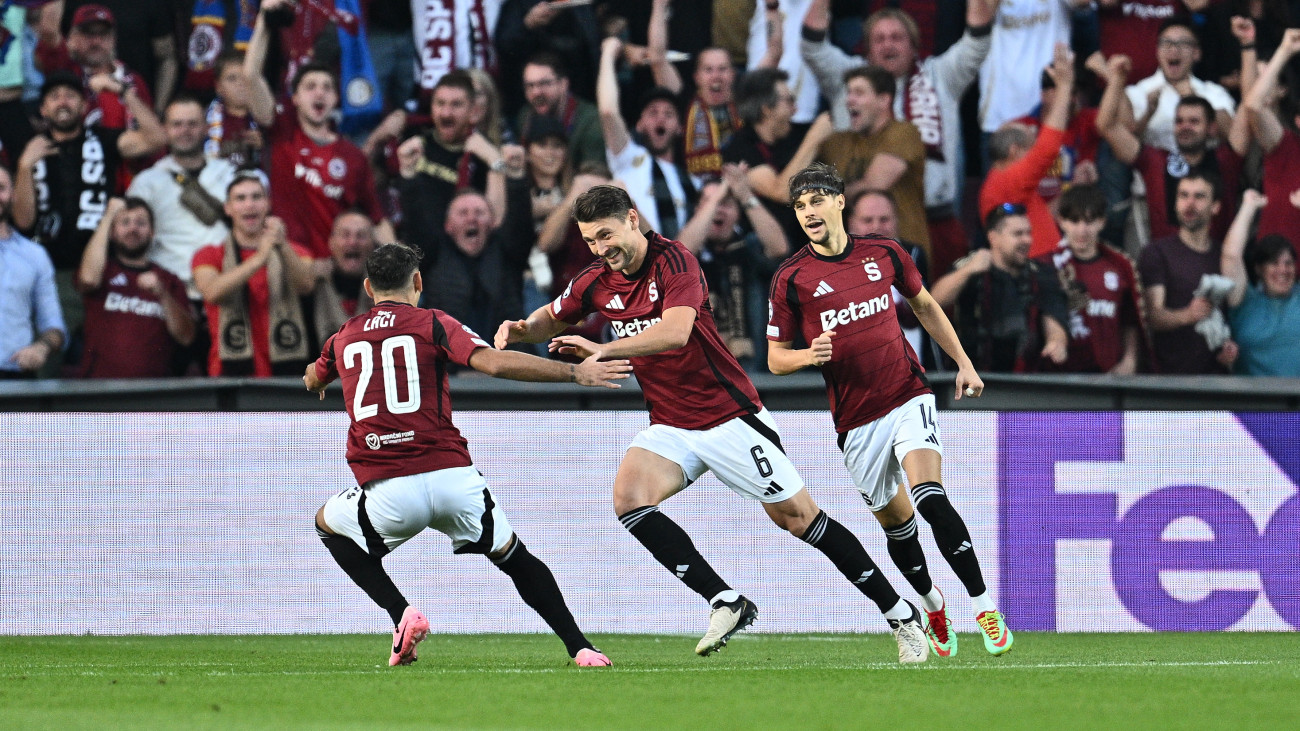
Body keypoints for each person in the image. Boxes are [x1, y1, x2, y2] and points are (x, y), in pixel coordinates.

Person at [496, 184, 932, 664]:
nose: (601, 249)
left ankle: (900, 614)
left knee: (799, 519)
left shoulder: (676, 261)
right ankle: (725, 600)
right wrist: (521, 329)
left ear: (633, 220)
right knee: (629, 500)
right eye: (591, 241)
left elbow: (675, 330)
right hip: (671, 424)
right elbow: (552, 317)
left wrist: (604, 348)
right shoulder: (597, 279)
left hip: (730, 418)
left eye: (606, 235)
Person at [304, 242, 627, 668]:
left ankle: (401, 614)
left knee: (327, 524)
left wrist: (319, 380)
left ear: (367, 287)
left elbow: (311, 376)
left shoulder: (343, 336)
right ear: (417, 282)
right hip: (452, 478)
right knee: (515, 558)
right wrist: (573, 372)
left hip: (388, 491)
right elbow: (493, 364)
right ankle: (581, 647)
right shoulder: (433, 321)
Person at [766, 161, 1012, 658]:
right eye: (799, 205)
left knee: (930, 496)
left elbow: (925, 306)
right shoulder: (791, 278)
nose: (808, 212)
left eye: (816, 200)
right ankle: (931, 602)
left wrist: (963, 363)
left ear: (840, 203)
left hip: (907, 393)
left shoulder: (884, 253)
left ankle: (985, 606)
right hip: (856, 420)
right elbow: (774, 359)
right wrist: (806, 356)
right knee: (897, 527)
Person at [801, 0, 995, 278]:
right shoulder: (848, 78)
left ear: (914, 46)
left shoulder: (941, 75)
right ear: (867, 48)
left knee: (943, 315)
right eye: (879, 39)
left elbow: (978, 40)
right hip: (864, 226)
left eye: (897, 38)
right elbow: (812, 45)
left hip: (936, 221)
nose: (887, 45)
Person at [245, 0, 395, 260]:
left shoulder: (353, 157)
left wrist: (400, 262)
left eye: (327, 87)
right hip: (286, 262)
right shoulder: (281, 130)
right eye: (310, 86)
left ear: (336, 99)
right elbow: (250, 76)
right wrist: (265, 18)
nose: (319, 93)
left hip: (332, 268)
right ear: (295, 98)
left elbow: (377, 219)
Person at [1097, 56, 1241, 244]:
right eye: (1179, 121)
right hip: (1165, 265)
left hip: (1217, 263)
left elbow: (1250, 107)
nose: (1185, 127)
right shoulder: (1156, 161)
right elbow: (1106, 126)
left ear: (1212, 128)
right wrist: (1116, 79)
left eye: (1194, 122)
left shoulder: (1226, 159)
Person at [191, 171, 317, 377]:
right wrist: (260, 257)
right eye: (240, 198)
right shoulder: (208, 255)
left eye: (256, 197)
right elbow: (212, 292)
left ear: (267, 204)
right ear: (228, 208)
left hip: (286, 371)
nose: (249, 204)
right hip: (230, 371)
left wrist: (282, 245)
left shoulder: (295, 252)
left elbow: (306, 285)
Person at [931, 203, 1070, 372]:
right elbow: (933, 302)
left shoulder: (1041, 273)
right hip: (972, 379)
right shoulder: (968, 267)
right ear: (993, 237)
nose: (1027, 240)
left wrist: (1056, 342)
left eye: (1028, 233)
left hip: (1026, 382)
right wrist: (968, 270)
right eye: (1018, 234)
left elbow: (1054, 315)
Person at [815, 65, 928, 261]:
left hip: (903, 253)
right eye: (849, 93)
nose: (849, 99)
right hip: (854, 257)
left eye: (859, 93)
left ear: (884, 100)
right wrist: (813, 139)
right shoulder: (836, 143)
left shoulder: (904, 133)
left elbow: (873, 187)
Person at [76, 196, 194, 378]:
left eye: (141, 223)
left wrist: (162, 294)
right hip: (99, 390)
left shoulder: (168, 280)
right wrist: (109, 216)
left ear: (152, 232)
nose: (133, 228)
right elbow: (88, 279)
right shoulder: (102, 270)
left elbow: (186, 337)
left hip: (152, 393)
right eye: (125, 222)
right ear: (112, 232)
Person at [979, 44, 1074, 260]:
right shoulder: (1007, 180)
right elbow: (1048, 147)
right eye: (1030, 149)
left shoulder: (1005, 184)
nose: (1034, 155)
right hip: (1034, 272)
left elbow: (1040, 217)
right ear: (1015, 151)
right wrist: (1065, 87)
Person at [1137, 172, 1236, 374]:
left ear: (1216, 206)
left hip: (1217, 381)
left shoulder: (1224, 256)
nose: (1189, 204)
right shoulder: (1157, 253)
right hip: (1170, 382)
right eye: (1183, 195)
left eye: (1199, 196)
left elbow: (1234, 314)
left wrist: (1229, 347)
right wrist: (1187, 315)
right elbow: (1152, 316)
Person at [1041, 184, 1145, 374]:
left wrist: (1130, 359)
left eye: (1089, 221)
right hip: (1060, 378)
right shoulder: (1049, 266)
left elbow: (1130, 320)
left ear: (1102, 222)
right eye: (1074, 220)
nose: (1082, 230)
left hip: (1110, 378)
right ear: (1061, 221)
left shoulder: (1121, 266)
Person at [597, 36, 693, 239]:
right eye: (652, 113)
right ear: (639, 124)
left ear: (679, 128)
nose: (661, 118)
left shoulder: (690, 181)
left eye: (669, 114)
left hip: (682, 266)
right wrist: (608, 54)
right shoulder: (629, 157)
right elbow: (608, 111)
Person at [1220, 190, 1300, 376]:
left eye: (1288, 263)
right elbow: (1231, 257)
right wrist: (1248, 207)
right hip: (1255, 402)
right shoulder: (1245, 302)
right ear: (1258, 269)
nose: (1283, 270)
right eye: (1274, 263)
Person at [0, 166, 65, 379]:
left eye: (1, 188)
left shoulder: (35, 255)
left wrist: (41, 348)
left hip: (15, 376)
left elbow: (54, 326)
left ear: (12, 195)